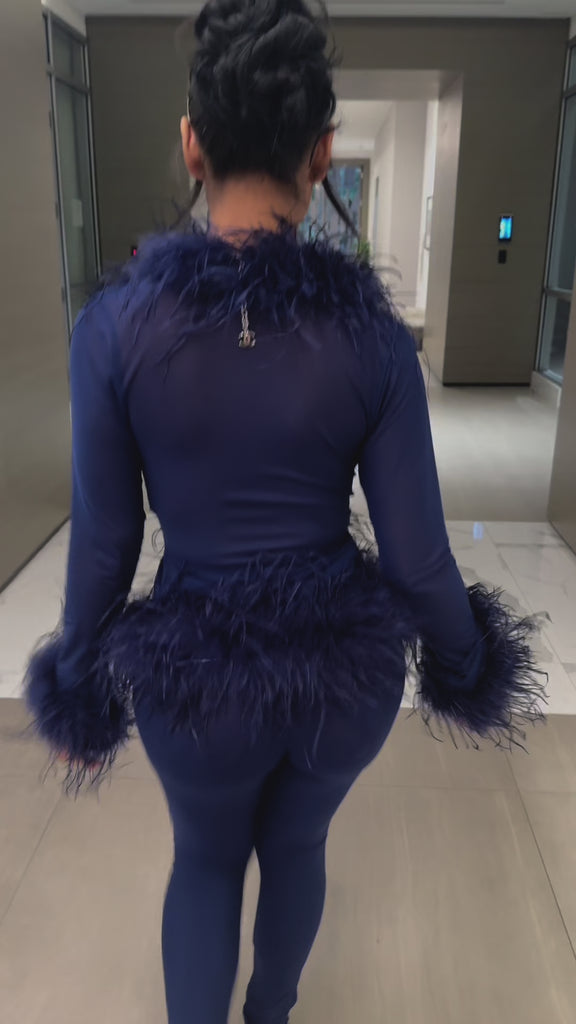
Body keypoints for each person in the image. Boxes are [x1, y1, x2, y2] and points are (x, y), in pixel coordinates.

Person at [25, 2, 546, 1023]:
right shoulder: (372, 334)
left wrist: (78, 683)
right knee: (299, 844)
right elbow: (419, 561)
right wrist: (467, 666)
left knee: (206, 860)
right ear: (321, 153)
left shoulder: (115, 327)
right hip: (340, 680)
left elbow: (106, 545)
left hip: (194, 682)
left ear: (192, 144)